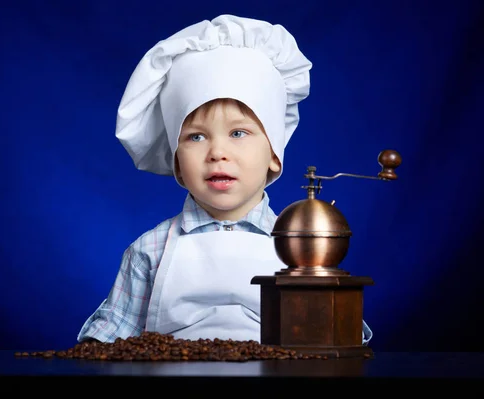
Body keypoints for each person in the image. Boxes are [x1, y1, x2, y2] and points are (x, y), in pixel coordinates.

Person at [77, 14, 373, 345]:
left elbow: (342, 337)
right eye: (196, 137)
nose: (218, 152)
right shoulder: (149, 251)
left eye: (238, 132)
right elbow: (107, 338)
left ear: (275, 153)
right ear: (176, 160)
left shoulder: (301, 249)